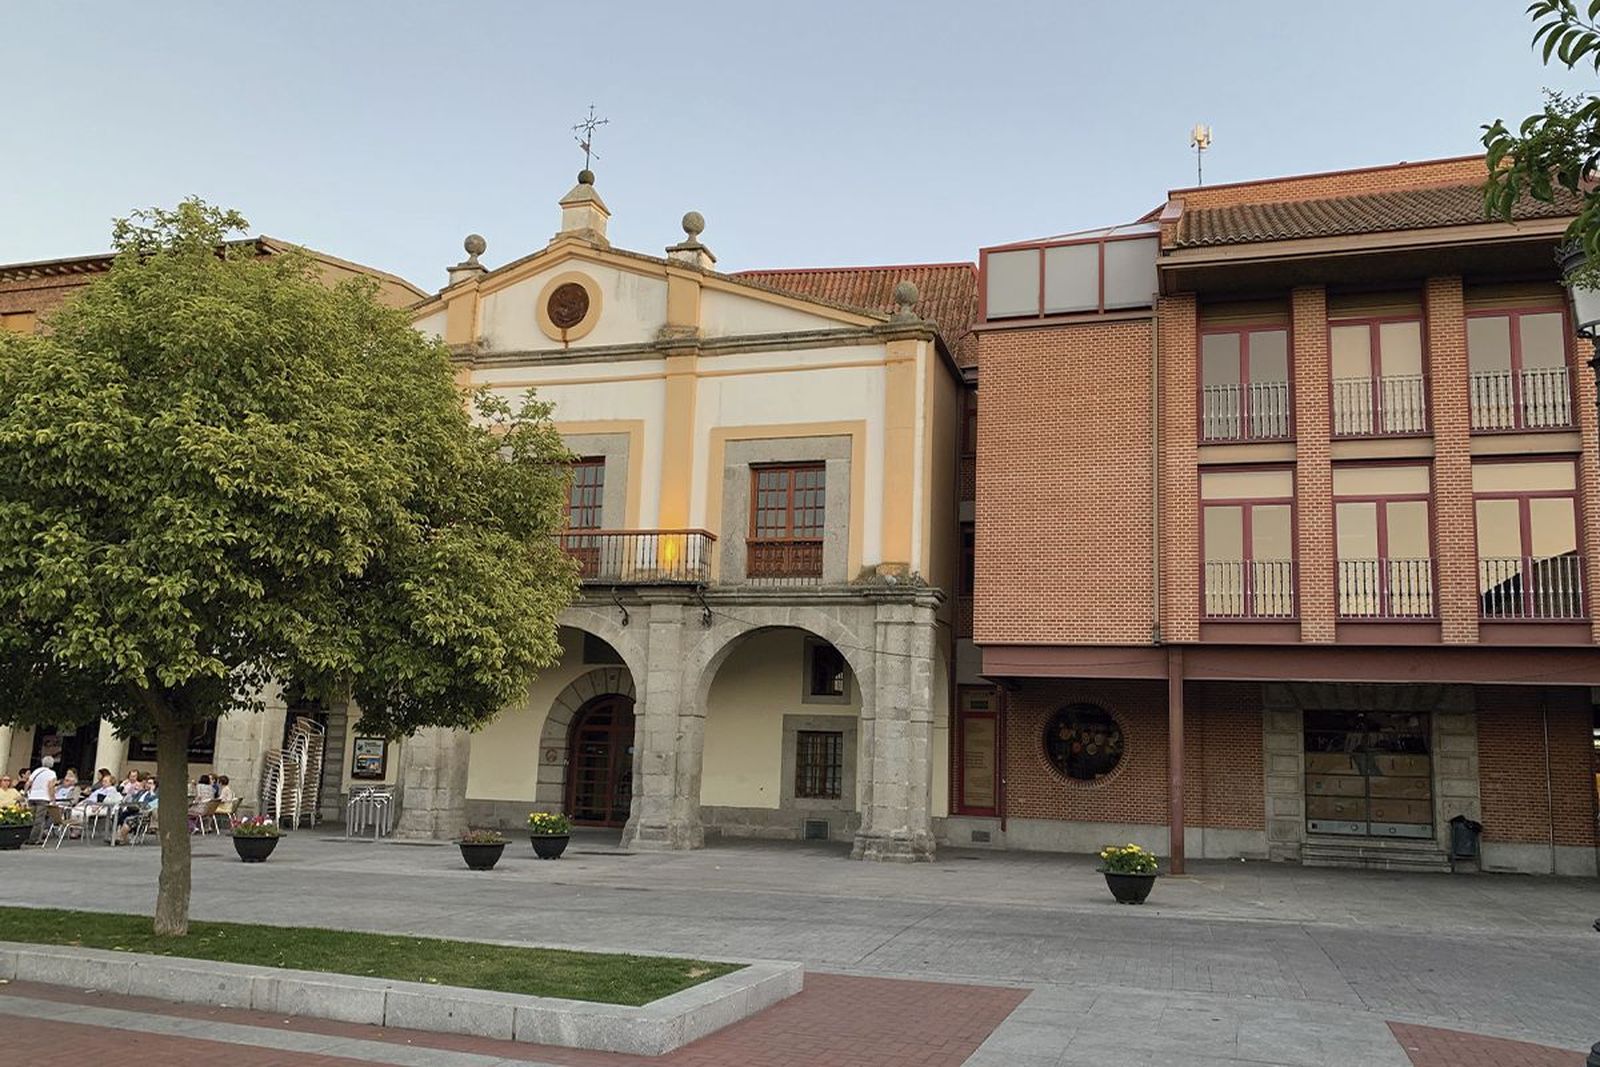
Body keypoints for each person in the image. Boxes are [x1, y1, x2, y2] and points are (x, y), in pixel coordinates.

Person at [114, 775, 156, 845]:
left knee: (129, 819)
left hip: (143, 814)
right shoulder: (141, 792)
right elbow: (133, 799)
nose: (147, 785)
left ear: (154, 785)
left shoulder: (154, 796)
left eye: (150, 783)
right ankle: (119, 837)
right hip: (133, 810)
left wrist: (152, 792)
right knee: (118, 815)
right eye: (147, 783)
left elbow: (151, 806)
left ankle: (120, 838)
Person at [26, 756, 57, 845]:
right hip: (43, 797)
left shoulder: (36, 771)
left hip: (32, 797)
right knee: (39, 819)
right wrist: (52, 799)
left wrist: (26, 794)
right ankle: (34, 839)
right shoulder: (51, 773)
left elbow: (28, 783)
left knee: (30, 817)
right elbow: (50, 786)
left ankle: (27, 836)